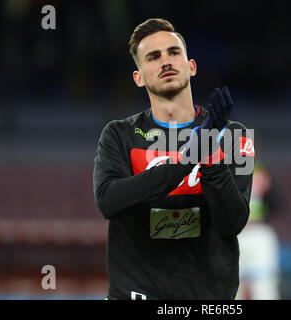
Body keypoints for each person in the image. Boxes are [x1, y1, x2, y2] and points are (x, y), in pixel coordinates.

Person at [93, 18, 255, 300]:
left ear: (190, 66)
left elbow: (233, 222)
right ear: (139, 77)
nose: (165, 61)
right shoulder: (118, 134)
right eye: (153, 57)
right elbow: (108, 200)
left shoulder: (233, 135)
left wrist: (209, 154)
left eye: (173, 52)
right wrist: (186, 159)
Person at [236, 160, 284, 300]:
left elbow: (278, 203)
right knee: (233, 288)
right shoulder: (220, 169)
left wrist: (269, 185)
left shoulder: (261, 171)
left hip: (259, 234)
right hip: (234, 234)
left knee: (263, 288)